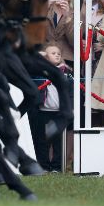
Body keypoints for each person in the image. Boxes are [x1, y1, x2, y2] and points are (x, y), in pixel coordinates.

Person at [28, 44, 67, 173]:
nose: (57, 55)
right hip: (41, 111)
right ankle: (43, 166)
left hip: (58, 113)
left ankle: (56, 167)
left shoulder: (66, 73)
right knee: (41, 141)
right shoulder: (38, 72)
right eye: (53, 53)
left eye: (58, 53)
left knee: (57, 142)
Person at [45, 0, 75, 65]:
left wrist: (68, 18)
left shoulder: (75, 14)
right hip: (46, 57)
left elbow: (74, 42)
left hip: (67, 58)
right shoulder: (45, 11)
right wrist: (44, 11)